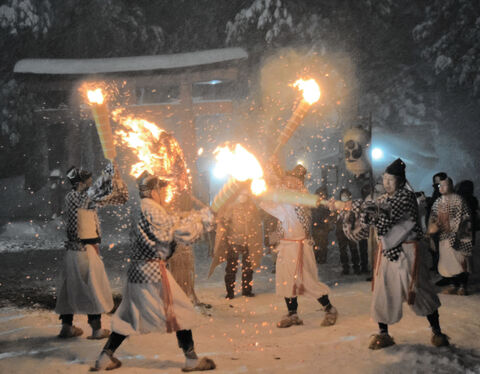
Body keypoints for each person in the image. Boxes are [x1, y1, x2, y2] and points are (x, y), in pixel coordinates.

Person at [91, 171, 216, 372]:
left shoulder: (142, 207)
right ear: (152, 191)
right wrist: (203, 220)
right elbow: (176, 232)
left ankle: (105, 357)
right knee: (180, 310)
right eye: (161, 189)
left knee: (128, 316)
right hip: (152, 272)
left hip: (137, 271)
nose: (164, 192)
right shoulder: (153, 209)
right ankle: (191, 359)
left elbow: (171, 222)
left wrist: (197, 217)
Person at [338, 159, 449, 349]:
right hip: (388, 253)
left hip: (408, 252)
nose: (387, 183)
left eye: (391, 180)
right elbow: (371, 216)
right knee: (383, 291)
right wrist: (352, 207)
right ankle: (383, 333)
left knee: (420, 290)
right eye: (385, 179)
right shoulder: (383, 199)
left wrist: (366, 207)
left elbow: (387, 214)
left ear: (400, 181)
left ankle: (437, 332)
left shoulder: (405, 197)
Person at [259, 161, 338, 329]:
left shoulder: (301, 199)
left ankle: (329, 309)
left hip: (300, 247)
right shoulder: (286, 197)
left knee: (308, 281)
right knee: (286, 281)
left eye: (292, 180)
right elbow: (268, 205)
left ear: (299, 182)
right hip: (286, 246)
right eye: (287, 180)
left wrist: (271, 181)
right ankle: (292, 314)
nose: (288, 182)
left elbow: (275, 203)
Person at [55, 162, 128, 339]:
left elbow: (118, 199)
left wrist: (116, 179)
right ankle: (96, 330)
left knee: (70, 288)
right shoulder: (78, 197)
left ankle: (67, 327)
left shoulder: (81, 198)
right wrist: (108, 172)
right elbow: (96, 191)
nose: (90, 182)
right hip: (84, 251)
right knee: (92, 288)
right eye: (87, 180)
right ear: (80, 183)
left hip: (75, 252)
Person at [208, 189, 263, 299]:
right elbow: (223, 221)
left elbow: (256, 223)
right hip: (234, 241)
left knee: (248, 267)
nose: (244, 196)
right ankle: (230, 292)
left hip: (248, 242)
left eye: (246, 194)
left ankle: (247, 290)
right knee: (231, 268)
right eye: (242, 194)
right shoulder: (231, 206)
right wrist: (223, 222)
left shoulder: (252, 207)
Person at [428, 177, 473, 295]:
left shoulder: (458, 200)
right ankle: (453, 284)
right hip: (444, 237)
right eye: (439, 186)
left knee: (460, 261)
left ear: (451, 186)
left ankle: (462, 286)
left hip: (458, 236)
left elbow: (464, 218)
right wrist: (433, 227)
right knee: (447, 262)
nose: (441, 188)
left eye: (444, 185)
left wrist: (452, 228)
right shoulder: (438, 202)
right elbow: (433, 217)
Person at [336, 188, 362, 275]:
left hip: (351, 230)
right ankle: (345, 268)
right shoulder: (339, 206)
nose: (344, 197)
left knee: (353, 249)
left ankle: (356, 268)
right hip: (340, 231)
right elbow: (336, 217)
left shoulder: (354, 205)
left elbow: (358, 216)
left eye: (346, 195)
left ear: (349, 196)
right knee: (342, 250)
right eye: (342, 196)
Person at [426, 172, 448, 273]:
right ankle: (437, 267)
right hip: (434, 225)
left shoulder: (446, 193)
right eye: (435, 183)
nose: (436, 186)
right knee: (434, 247)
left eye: (438, 183)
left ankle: (442, 269)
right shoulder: (437, 193)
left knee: (440, 249)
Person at [311, 186, 334, 264]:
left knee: (323, 243)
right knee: (316, 243)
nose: (321, 196)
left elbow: (330, 215)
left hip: (323, 227)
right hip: (316, 226)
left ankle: (322, 258)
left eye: (322, 194)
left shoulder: (326, 204)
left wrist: (329, 224)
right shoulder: (314, 204)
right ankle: (318, 257)